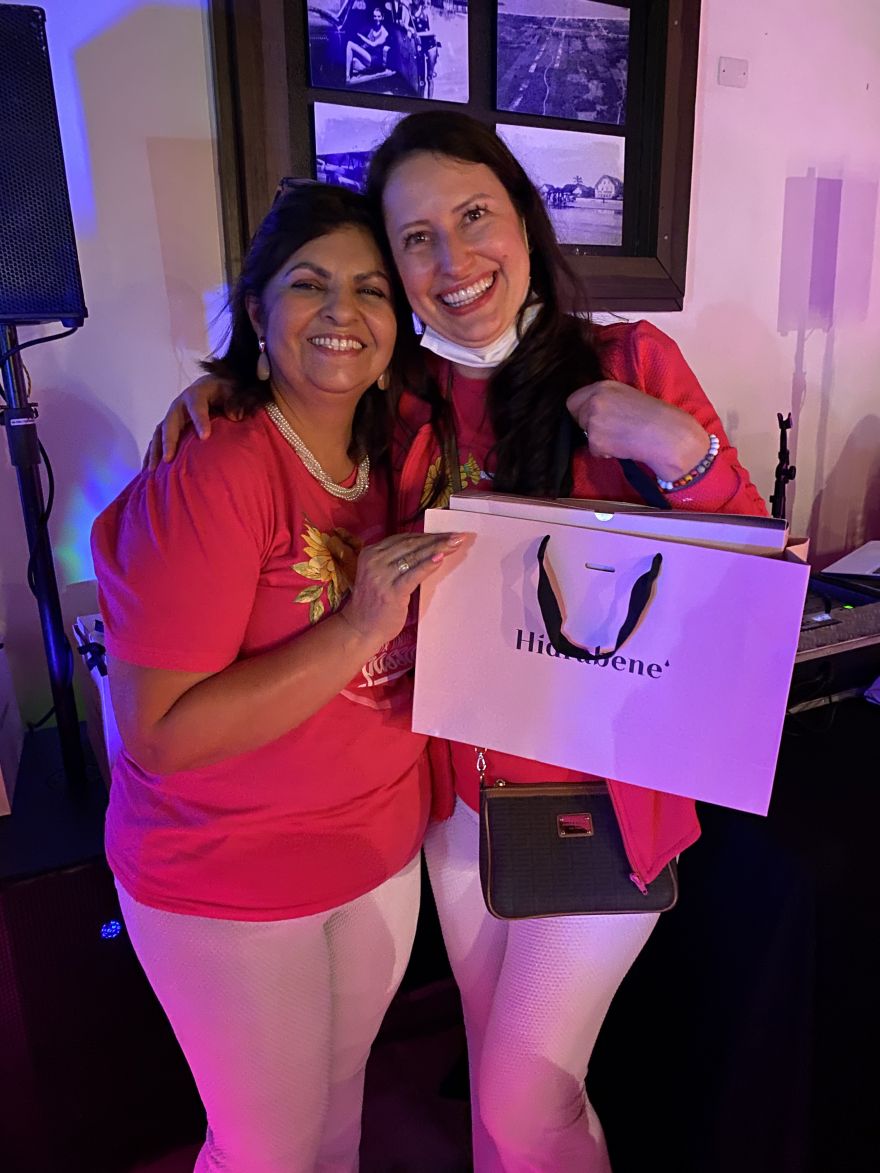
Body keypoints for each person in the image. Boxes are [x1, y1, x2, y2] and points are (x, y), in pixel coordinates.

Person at [151, 113, 767, 1172]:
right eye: (415, 238)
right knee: (493, 1088)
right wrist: (226, 385)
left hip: (603, 807)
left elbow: (750, 591)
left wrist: (682, 449)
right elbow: (301, 411)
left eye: (474, 215)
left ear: (521, 215)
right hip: (457, 809)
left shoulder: (628, 360)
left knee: (529, 1103)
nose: (453, 258)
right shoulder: (402, 397)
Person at [92, 182, 461, 1172]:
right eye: (309, 284)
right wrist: (358, 626)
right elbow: (161, 734)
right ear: (257, 310)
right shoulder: (216, 473)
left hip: (377, 854)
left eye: (371, 288)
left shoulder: (402, 445)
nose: (343, 310)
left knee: (337, 1124)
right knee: (265, 1151)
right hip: (231, 878)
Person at [346, 6, 389, 82]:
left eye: (379, 16)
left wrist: (361, 37)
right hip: (368, 56)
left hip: (375, 60)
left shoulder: (384, 32)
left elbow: (373, 44)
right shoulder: (372, 28)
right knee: (353, 59)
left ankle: (347, 77)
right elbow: (367, 43)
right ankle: (364, 70)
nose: (376, 18)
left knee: (350, 44)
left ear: (382, 17)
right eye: (375, 16)